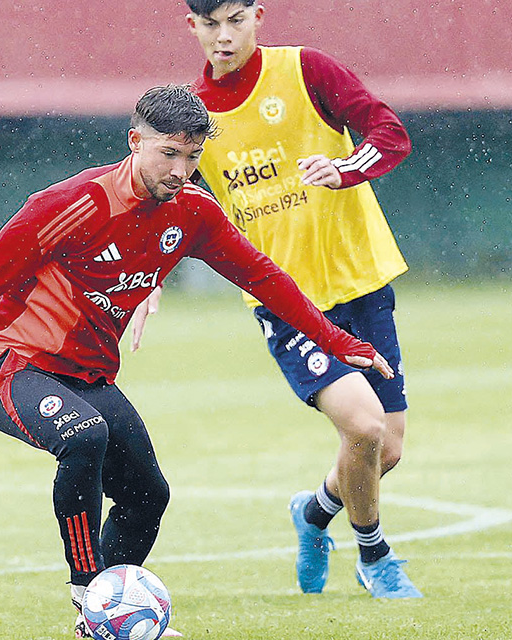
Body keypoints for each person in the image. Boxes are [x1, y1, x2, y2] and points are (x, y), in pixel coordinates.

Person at [0, 85, 393, 637]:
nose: (182, 169)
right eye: (169, 154)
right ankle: (90, 597)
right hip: (12, 365)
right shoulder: (71, 204)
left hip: (90, 375)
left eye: (194, 156)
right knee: (84, 437)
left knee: (148, 496)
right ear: (135, 142)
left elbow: (263, 277)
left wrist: (335, 340)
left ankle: (99, 626)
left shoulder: (194, 214)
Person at [141, 0, 419, 599]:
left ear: (258, 18)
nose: (223, 36)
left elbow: (389, 133)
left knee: (384, 450)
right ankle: (375, 556)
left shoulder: (307, 71)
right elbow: (163, 199)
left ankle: (314, 514)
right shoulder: (192, 117)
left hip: (362, 284)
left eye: (235, 20)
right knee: (365, 428)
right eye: (210, 24)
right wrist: (145, 278)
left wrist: (345, 167)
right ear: (191, 27)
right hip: (285, 302)